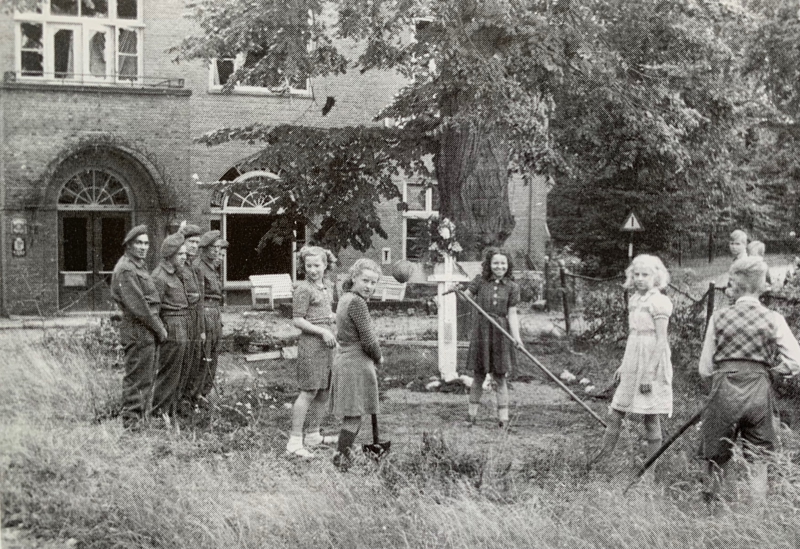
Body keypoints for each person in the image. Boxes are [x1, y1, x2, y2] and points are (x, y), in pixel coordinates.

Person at [698, 256, 800, 510]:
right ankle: (754, 521)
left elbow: (705, 368)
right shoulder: (773, 318)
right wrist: (772, 373)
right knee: (759, 461)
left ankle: (711, 514)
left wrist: (718, 386)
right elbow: (796, 361)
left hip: (724, 392)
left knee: (715, 457)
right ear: (762, 286)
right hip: (758, 393)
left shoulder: (719, 317)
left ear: (734, 285)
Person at [590, 254, 673, 466]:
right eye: (636, 274)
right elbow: (634, 336)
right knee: (616, 411)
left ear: (656, 277)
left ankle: (650, 470)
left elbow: (661, 340)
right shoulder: (635, 299)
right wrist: (624, 364)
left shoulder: (659, 302)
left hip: (651, 362)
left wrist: (648, 373)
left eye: (645, 274)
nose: (640, 278)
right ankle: (603, 457)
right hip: (633, 359)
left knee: (650, 418)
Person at [110, 225, 168, 429]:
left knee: (146, 377)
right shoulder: (126, 269)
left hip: (144, 330)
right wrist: (159, 328)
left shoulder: (137, 266)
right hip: (138, 329)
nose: (143, 247)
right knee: (137, 378)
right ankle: (132, 424)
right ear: (129, 245)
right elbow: (139, 307)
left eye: (146, 243)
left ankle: (140, 420)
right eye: (139, 243)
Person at [330, 258, 383, 470]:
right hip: (356, 362)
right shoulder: (358, 303)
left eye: (373, 282)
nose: (369, 286)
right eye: (365, 280)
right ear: (354, 278)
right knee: (354, 414)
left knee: (355, 413)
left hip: (347, 360)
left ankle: (343, 455)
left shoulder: (345, 298)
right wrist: (378, 357)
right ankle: (341, 458)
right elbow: (368, 340)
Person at [286, 246, 339, 458]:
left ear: (326, 265)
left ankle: (313, 435)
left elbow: (325, 312)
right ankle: (294, 441)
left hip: (328, 346)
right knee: (308, 391)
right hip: (311, 345)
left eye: (317, 265)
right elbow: (298, 319)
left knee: (324, 390)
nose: (313, 270)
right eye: (308, 266)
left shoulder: (328, 285)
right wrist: (322, 331)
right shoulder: (303, 289)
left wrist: (333, 318)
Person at [463, 248, 523, 428]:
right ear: (489, 264)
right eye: (495, 263)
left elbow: (512, 314)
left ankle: (503, 419)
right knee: (479, 376)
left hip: (501, 334)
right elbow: (467, 297)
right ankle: (471, 416)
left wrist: (517, 338)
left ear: (508, 265)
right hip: (482, 332)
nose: (499, 266)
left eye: (503, 263)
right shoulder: (480, 281)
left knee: (500, 377)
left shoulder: (513, 287)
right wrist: (461, 292)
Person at [177, 224, 205, 413]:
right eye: (191, 242)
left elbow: (199, 299)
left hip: (195, 318)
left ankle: (188, 398)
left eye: (197, 242)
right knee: (183, 360)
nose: (194, 246)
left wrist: (201, 327)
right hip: (183, 318)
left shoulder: (193, 266)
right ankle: (179, 401)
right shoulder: (179, 266)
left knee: (194, 359)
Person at [195, 230, 224, 401]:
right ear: (204, 249)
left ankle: (205, 391)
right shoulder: (199, 267)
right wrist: (201, 327)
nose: (216, 251)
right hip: (205, 314)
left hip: (215, 313)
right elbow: (199, 299)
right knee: (204, 355)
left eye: (218, 248)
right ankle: (196, 393)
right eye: (213, 248)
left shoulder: (212, 267)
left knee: (213, 353)